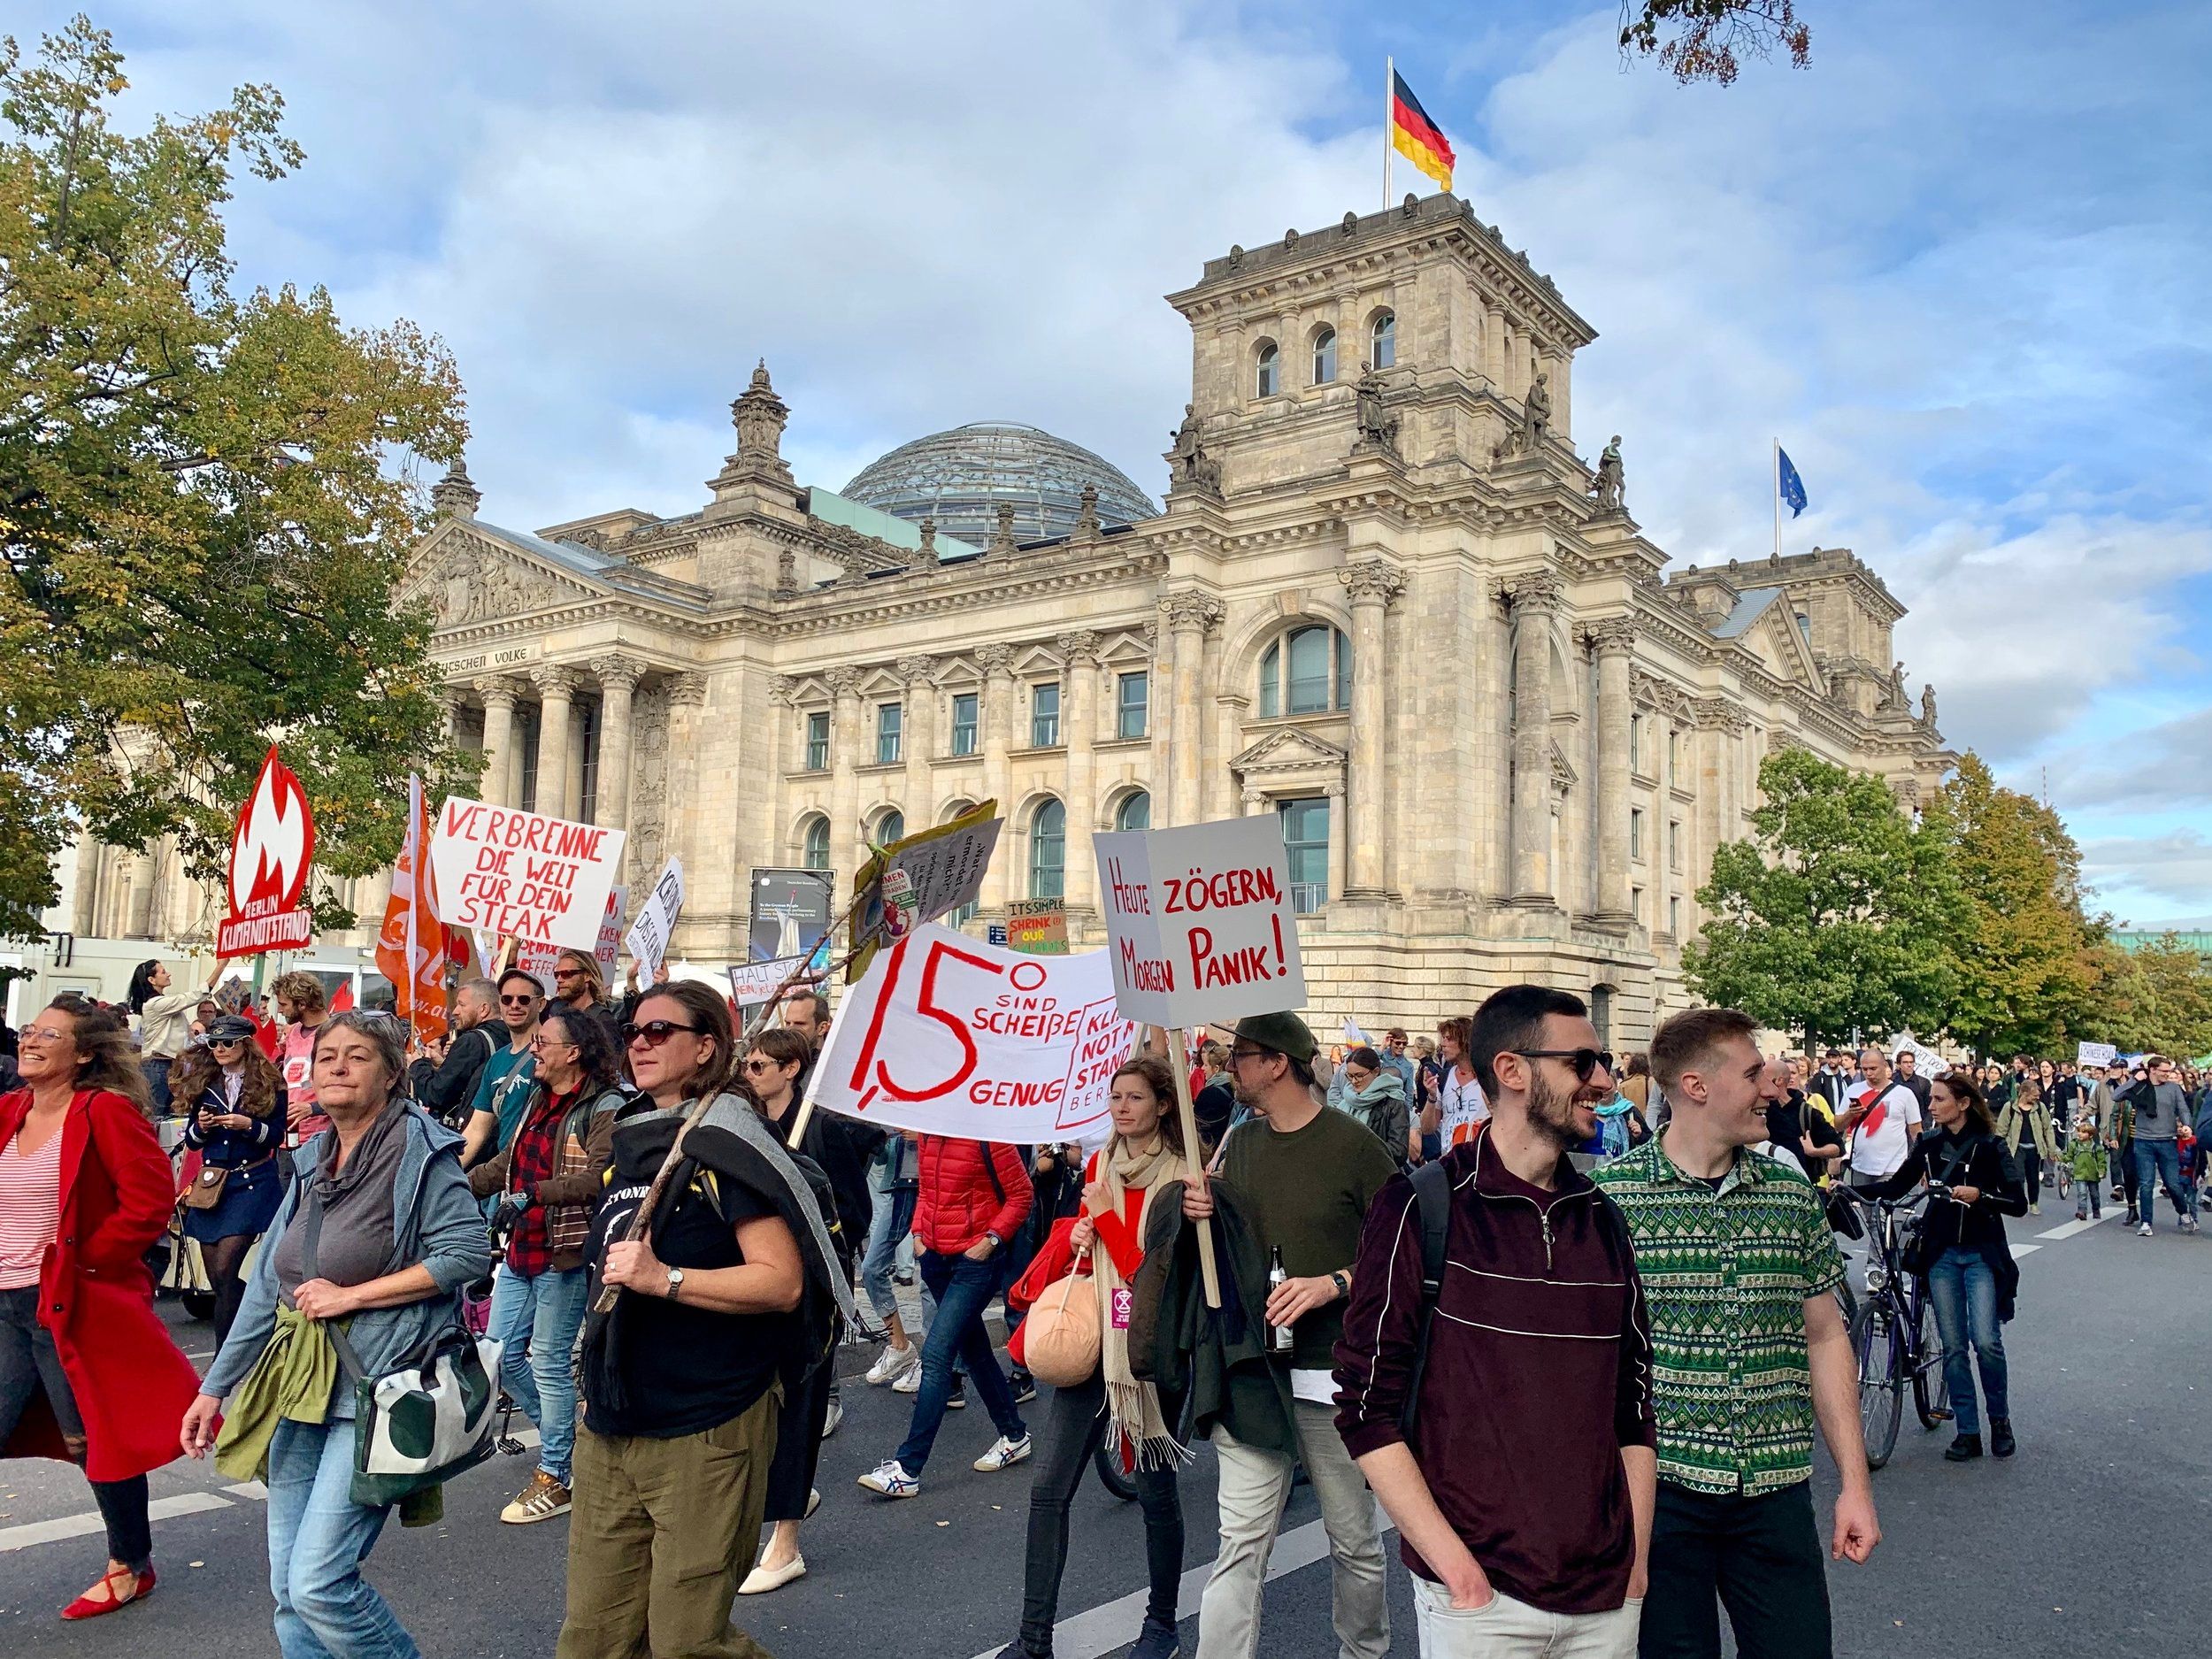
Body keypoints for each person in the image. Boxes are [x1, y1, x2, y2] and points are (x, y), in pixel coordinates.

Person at [1336, 985, 1655, 1657]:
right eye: (1583, 1062)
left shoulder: (1605, 1220)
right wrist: (1458, 1571)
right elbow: (1367, 1406)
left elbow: (1633, 1407)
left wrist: (1636, 1566)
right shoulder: (1420, 1204)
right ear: (1512, 1071)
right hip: (1480, 1599)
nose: (1603, 1080)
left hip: (1605, 1598)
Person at [181, 1010, 491, 1658]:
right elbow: (270, 1284)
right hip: (299, 1384)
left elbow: (466, 1252)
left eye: (357, 1055)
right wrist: (214, 1387)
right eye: (327, 1057)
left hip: (374, 1386)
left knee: (320, 1583)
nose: (339, 1066)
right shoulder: (314, 1155)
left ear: (391, 1073)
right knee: (288, 1591)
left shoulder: (421, 1149)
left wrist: (352, 1295)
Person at [557, 979, 850, 1659]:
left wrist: (666, 1278)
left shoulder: (729, 1144)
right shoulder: (635, 1139)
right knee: (593, 1640)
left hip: (705, 1425)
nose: (639, 1040)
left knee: (688, 1641)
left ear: (708, 1045)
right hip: (612, 1422)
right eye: (634, 1028)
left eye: (661, 1030)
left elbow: (781, 1282)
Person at [1594, 1008, 1878, 1659]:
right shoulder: (1611, 1199)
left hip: (1775, 1492)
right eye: (1753, 1073)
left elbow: (1825, 1337)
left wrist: (1856, 1486)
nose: (1772, 1088)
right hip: (1661, 1496)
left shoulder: (1790, 1194)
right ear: (1697, 1086)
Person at [1182, 1010, 1398, 1659]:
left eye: (1243, 1054)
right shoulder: (1241, 1141)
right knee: (1239, 1544)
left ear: (1278, 1062)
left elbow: (1405, 1256)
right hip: (1252, 1372)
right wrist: (1199, 1210)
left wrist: (1332, 1282)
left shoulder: (1354, 1147)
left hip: (1332, 1379)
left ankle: (1363, 1652)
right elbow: (1225, 1246)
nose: (1233, 1066)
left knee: (1354, 1542)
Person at [3, 997, 199, 1621]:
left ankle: (131, 1563)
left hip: (64, 1304)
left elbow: (146, 1201)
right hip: (4, 1303)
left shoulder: (104, 1112)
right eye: (30, 1030)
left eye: (48, 1034)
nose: (31, 1040)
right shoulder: (9, 1110)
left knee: (93, 1439)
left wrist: (82, 1261)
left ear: (83, 1052)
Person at [993, 1057, 1192, 1659]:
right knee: (1048, 1489)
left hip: (1148, 1354)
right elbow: (1094, 1239)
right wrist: (1082, 1230)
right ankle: (1033, 1641)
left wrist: (1102, 1213)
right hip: (1091, 1344)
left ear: (1162, 1104)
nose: (1121, 1106)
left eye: (1134, 1097)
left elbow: (1148, 1272)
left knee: (1157, 1494)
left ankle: (1162, 1624)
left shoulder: (1184, 1177)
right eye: (1114, 1096)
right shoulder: (1103, 1162)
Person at [468, 1008, 624, 1525]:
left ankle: (557, 1474)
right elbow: (505, 1163)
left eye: (543, 1043)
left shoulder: (605, 1105)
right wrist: (448, 1183)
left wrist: (534, 1194)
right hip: (522, 1246)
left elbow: (603, 1177)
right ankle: (573, 1441)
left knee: (550, 1362)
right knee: (500, 1356)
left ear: (573, 1054)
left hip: (566, 1249)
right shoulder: (538, 1097)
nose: (534, 1050)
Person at [740, 1025, 875, 1594]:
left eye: (759, 1066)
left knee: (800, 1410)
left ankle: (787, 1540)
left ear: (790, 1069)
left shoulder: (821, 1128)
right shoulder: (745, 1127)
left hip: (811, 1293)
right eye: (746, 1065)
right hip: (758, 1288)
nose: (749, 1074)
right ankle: (782, 1496)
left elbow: (855, 1211)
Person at [858, 1123, 1033, 1499]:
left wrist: (989, 1242)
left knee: (937, 1355)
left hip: (975, 1263)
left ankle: (908, 1468)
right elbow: (926, 1190)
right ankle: (1015, 1435)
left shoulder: (990, 1133)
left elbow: (1021, 1195)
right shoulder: (928, 1132)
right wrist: (919, 1235)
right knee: (975, 1352)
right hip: (936, 1258)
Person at [1863, 1071, 2025, 1459]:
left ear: (1963, 1103)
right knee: (1953, 1347)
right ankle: (1967, 1431)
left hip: (1982, 1252)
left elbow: (2017, 1203)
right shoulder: (1929, 1143)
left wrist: (1981, 1195)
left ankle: (1999, 1420)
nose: (1931, 1106)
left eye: (1938, 1100)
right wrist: (1844, 1190)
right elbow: (1895, 1186)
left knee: (1986, 1342)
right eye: (1931, 1099)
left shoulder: (1990, 1145)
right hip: (1941, 1254)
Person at [174, 1015, 288, 1343]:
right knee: (217, 1279)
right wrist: (203, 1126)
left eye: (227, 1043)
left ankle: (224, 1354)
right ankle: (259, 1315)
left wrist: (247, 1125)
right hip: (213, 1186)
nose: (220, 1049)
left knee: (226, 1266)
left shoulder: (270, 1083)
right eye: (214, 1043)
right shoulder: (205, 1083)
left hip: (252, 1181)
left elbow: (276, 1135)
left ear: (245, 1044)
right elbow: (192, 1140)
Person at [860, 1130, 925, 1387]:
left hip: (935, 1189)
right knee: (871, 1268)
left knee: (934, 1282)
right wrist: (877, 1139)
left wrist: (923, 1136)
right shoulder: (900, 1106)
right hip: (900, 1190)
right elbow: (883, 1158)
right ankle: (899, 1345)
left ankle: (934, 1364)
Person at [462, 967, 543, 1166]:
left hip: (541, 1170)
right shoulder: (496, 1060)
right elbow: (476, 1129)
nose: (514, 1005)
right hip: (505, 1174)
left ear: (540, 1004)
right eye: (507, 999)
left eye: (523, 999)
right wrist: (448, 1172)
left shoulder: (551, 1052)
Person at [2121, 1055, 2199, 1236]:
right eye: (2164, 1071)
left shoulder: (2173, 1088)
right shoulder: (2140, 1086)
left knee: (2173, 1184)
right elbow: (2118, 1096)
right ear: (2152, 1070)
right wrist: (2134, 1080)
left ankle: (2184, 1213)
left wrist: (2187, 1125)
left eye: (2169, 1071)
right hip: (2143, 1141)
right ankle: (2146, 1222)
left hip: (2167, 1141)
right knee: (2146, 1184)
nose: (2168, 1074)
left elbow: (2183, 1109)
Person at [413, 978, 500, 1130]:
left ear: (484, 1009)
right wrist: (444, 1065)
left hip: (470, 1136)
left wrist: (418, 1065)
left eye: (461, 1005)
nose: (455, 1011)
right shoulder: (508, 1036)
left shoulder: (471, 1042)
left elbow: (436, 1095)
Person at [1838, 1045, 1921, 1188]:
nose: (1868, 1073)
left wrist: (1920, 1163)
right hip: (1860, 1166)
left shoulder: (1904, 1094)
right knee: (1864, 1210)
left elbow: (1916, 1132)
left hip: (1893, 1167)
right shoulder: (1853, 1090)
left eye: (1873, 1068)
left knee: (1886, 1208)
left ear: (1884, 1066)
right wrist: (1850, 1114)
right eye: (1865, 1069)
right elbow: (1838, 1125)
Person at [127, 959, 203, 1114]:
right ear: (151, 980)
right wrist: (220, 967)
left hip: (169, 1065)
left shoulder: (161, 1004)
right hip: (158, 1065)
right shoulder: (155, 1004)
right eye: (163, 972)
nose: (168, 974)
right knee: (156, 1115)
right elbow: (193, 997)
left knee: (168, 1114)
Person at [270, 971, 334, 1148]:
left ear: (302, 1004)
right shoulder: (293, 1032)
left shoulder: (335, 1032)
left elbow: (348, 1088)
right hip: (287, 1133)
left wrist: (313, 1108)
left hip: (320, 1136)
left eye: (283, 1004)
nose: (280, 1010)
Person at [1336, 1044, 1413, 1166]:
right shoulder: (1345, 1101)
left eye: (1359, 1075)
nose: (1354, 1081)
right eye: (1350, 1076)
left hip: (1380, 1178)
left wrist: (1360, 1149)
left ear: (1376, 1071)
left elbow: (1399, 1152)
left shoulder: (1395, 1104)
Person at [1994, 1076, 2058, 1216]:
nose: (2037, 1098)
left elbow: (2048, 1129)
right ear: (2024, 1094)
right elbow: (2001, 1130)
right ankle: (2020, 1202)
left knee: (2033, 1178)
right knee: (2018, 1177)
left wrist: (2051, 1150)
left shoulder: (2040, 1108)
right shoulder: (2010, 1107)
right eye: (2034, 1095)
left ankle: (2033, 1203)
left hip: (2034, 1149)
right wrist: (1999, 1150)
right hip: (2016, 1148)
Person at [551, 949, 624, 1053]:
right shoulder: (556, 1010)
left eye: (566, 974)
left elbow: (612, 1064)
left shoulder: (603, 1020)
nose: (559, 979)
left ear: (587, 976)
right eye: (556, 975)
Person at [1433, 1015, 1488, 1148]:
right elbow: (1428, 1128)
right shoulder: (1442, 1077)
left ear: (1465, 1041)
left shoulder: (1487, 1076)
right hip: (1449, 1159)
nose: (1443, 1044)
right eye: (1443, 1038)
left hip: (1479, 1156)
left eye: (1449, 1038)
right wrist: (1430, 1097)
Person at [2067, 1114, 2107, 1221]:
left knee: (2094, 1195)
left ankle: (2096, 1209)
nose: (2079, 1134)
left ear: (2090, 1135)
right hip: (2080, 1173)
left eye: (2083, 1132)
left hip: (2093, 1174)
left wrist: (2102, 1170)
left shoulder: (2096, 1147)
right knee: (2082, 1193)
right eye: (2079, 1131)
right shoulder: (2074, 1145)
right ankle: (2082, 1211)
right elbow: (2069, 1156)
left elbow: (2101, 1160)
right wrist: (2062, 1158)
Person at [779, 986, 833, 1050]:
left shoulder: (838, 1058)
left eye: (799, 1024)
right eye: (788, 1023)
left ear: (822, 1028)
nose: (790, 1029)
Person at [1892, 1048, 1932, 1113]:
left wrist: (1925, 1123)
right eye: (1905, 1062)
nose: (1909, 1065)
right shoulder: (1892, 1081)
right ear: (1899, 1064)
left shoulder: (1924, 1083)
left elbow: (1929, 1107)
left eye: (1911, 1062)